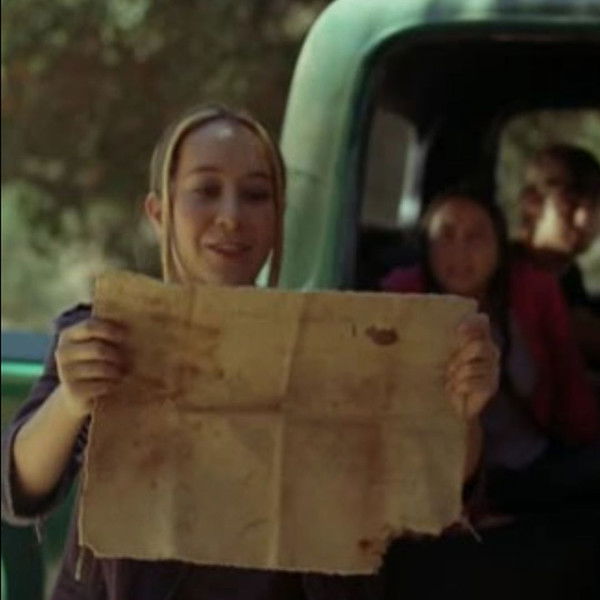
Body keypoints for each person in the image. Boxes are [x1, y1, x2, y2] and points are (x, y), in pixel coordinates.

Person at [1, 106, 499, 600]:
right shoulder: (107, 332)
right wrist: (70, 400)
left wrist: (462, 415)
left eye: (256, 195)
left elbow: (442, 495)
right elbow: (17, 491)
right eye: (206, 190)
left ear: (279, 217)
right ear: (159, 212)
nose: (231, 217)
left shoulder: (346, 345)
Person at [383, 188, 599, 514]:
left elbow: (570, 385)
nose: (461, 250)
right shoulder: (397, 306)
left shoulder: (535, 292)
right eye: (446, 235)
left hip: (532, 464)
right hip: (442, 486)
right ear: (426, 246)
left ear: (500, 246)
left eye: (476, 236)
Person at [516, 144, 600, 373]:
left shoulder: (567, 272)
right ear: (532, 203)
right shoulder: (506, 270)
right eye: (570, 204)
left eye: (594, 206)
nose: (584, 219)